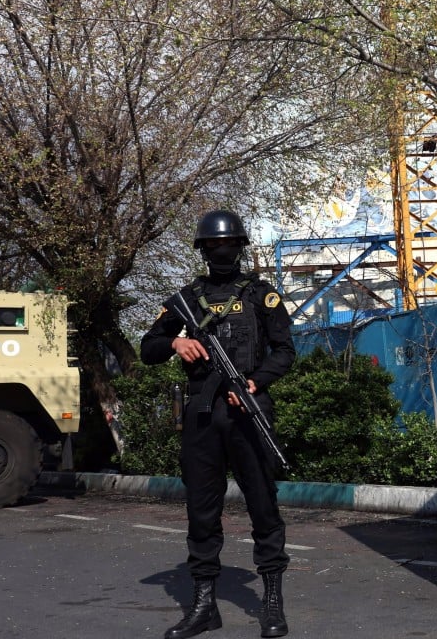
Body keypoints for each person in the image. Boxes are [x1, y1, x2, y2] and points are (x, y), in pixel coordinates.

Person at [141, 209, 296, 639]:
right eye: (213, 245)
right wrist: (176, 342)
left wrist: (255, 382)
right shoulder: (187, 299)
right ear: (203, 250)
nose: (221, 251)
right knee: (201, 510)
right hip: (203, 417)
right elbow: (148, 348)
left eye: (228, 244)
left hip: (249, 410)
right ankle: (204, 606)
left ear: (240, 247)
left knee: (262, 504)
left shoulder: (262, 295)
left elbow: (285, 351)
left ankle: (271, 602)